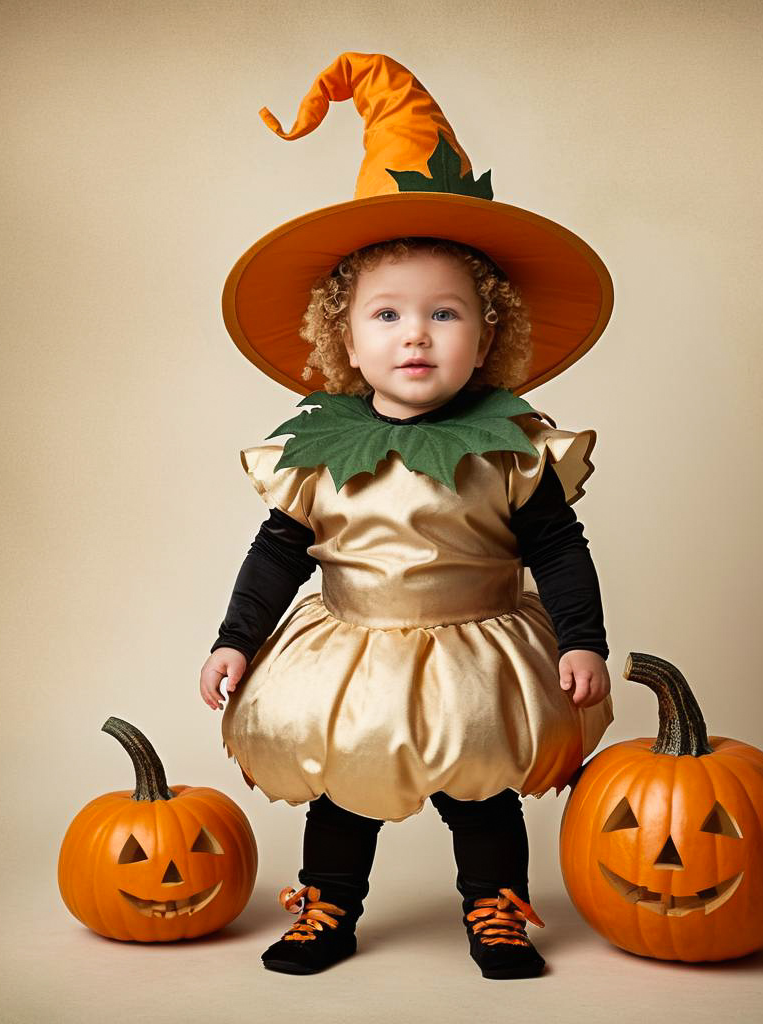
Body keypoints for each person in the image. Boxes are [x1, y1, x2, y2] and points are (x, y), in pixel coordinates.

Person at [198, 53, 617, 980]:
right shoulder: (318, 453)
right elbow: (277, 553)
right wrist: (235, 639)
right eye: (386, 315)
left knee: (483, 795)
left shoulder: (514, 446)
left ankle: (496, 909)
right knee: (341, 790)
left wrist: (582, 640)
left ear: (489, 333)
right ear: (342, 338)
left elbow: (558, 547)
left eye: (445, 313)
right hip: (353, 648)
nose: (415, 334)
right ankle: (328, 908)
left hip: (475, 646)